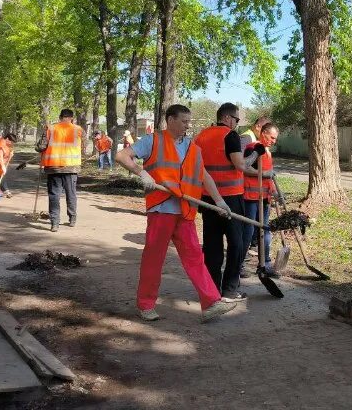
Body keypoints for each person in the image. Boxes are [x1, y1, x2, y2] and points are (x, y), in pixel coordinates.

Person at [115, 104, 237, 323]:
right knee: (154, 259)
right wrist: (142, 173)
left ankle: (211, 302)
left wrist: (219, 201)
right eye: (183, 121)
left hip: (185, 210)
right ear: (170, 120)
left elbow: (204, 176)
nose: (187, 126)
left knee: (195, 258)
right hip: (161, 208)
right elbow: (122, 156)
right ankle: (146, 305)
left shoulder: (192, 147)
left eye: (189, 122)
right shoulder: (152, 140)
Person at [194, 103, 258, 302]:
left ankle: (212, 290)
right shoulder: (230, 136)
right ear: (228, 118)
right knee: (236, 244)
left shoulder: (201, 136)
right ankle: (230, 289)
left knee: (212, 246)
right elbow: (240, 165)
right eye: (237, 120)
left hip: (208, 199)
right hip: (231, 198)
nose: (237, 124)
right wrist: (256, 154)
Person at [36, 109, 85, 232]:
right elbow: (85, 144)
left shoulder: (50, 128)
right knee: (71, 194)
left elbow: (41, 146)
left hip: (54, 168)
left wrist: (39, 148)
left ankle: (55, 223)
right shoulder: (78, 129)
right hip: (71, 167)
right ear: (72, 118)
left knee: (54, 195)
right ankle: (72, 219)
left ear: (60, 117)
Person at [241, 123, 280, 278]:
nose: (273, 141)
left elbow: (268, 176)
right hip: (251, 198)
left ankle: (265, 264)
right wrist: (264, 173)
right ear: (263, 133)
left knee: (265, 231)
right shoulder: (253, 148)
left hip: (264, 198)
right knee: (249, 231)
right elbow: (246, 168)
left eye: (275, 139)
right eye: (271, 137)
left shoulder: (268, 152)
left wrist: (275, 192)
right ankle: (239, 264)